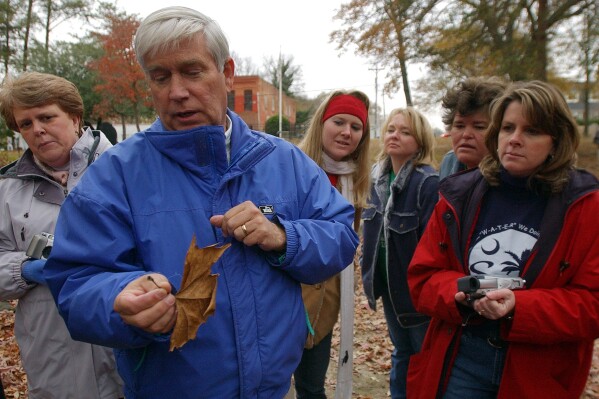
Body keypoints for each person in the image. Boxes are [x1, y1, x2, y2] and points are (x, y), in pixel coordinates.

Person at [44, 6, 359, 399]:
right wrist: (118, 298)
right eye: (161, 77)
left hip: (273, 389)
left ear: (227, 73)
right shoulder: (115, 176)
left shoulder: (284, 161)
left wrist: (284, 236)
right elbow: (74, 283)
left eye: (192, 72)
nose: (177, 91)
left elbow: (341, 235)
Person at [406, 80, 599, 399]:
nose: (515, 140)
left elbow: (591, 302)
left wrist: (518, 307)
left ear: (557, 141)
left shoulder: (585, 204)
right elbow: (422, 278)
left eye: (532, 131)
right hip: (462, 358)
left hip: (538, 370)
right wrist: (459, 294)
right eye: (508, 128)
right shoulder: (459, 194)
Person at [0, 72, 123, 398]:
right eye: (25, 123)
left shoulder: (123, 169)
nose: (37, 129)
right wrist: (23, 269)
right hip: (52, 359)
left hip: (124, 347)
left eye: (46, 117)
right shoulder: (6, 191)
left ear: (74, 116)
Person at [294, 90, 371, 398]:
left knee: (311, 388)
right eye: (338, 122)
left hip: (325, 304)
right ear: (322, 124)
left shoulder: (357, 181)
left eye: (356, 127)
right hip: (283, 297)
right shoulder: (291, 167)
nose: (346, 132)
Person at [361, 107, 438, 399]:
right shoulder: (376, 179)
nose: (395, 135)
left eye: (405, 132)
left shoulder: (427, 183)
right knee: (402, 352)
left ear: (420, 141)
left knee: (423, 356)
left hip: (416, 295)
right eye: (392, 129)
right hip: (390, 290)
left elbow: (433, 247)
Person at [438, 76, 507, 180]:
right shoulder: (448, 163)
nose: (466, 135)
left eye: (479, 127)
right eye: (459, 126)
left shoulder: (511, 173)